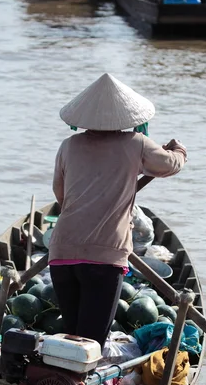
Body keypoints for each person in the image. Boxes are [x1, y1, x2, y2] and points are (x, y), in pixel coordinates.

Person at [48, 73, 187, 350]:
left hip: (62, 252)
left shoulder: (69, 146)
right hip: (105, 259)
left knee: (72, 336)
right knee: (90, 344)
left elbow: (60, 195)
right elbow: (170, 164)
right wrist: (180, 150)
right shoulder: (136, 143)